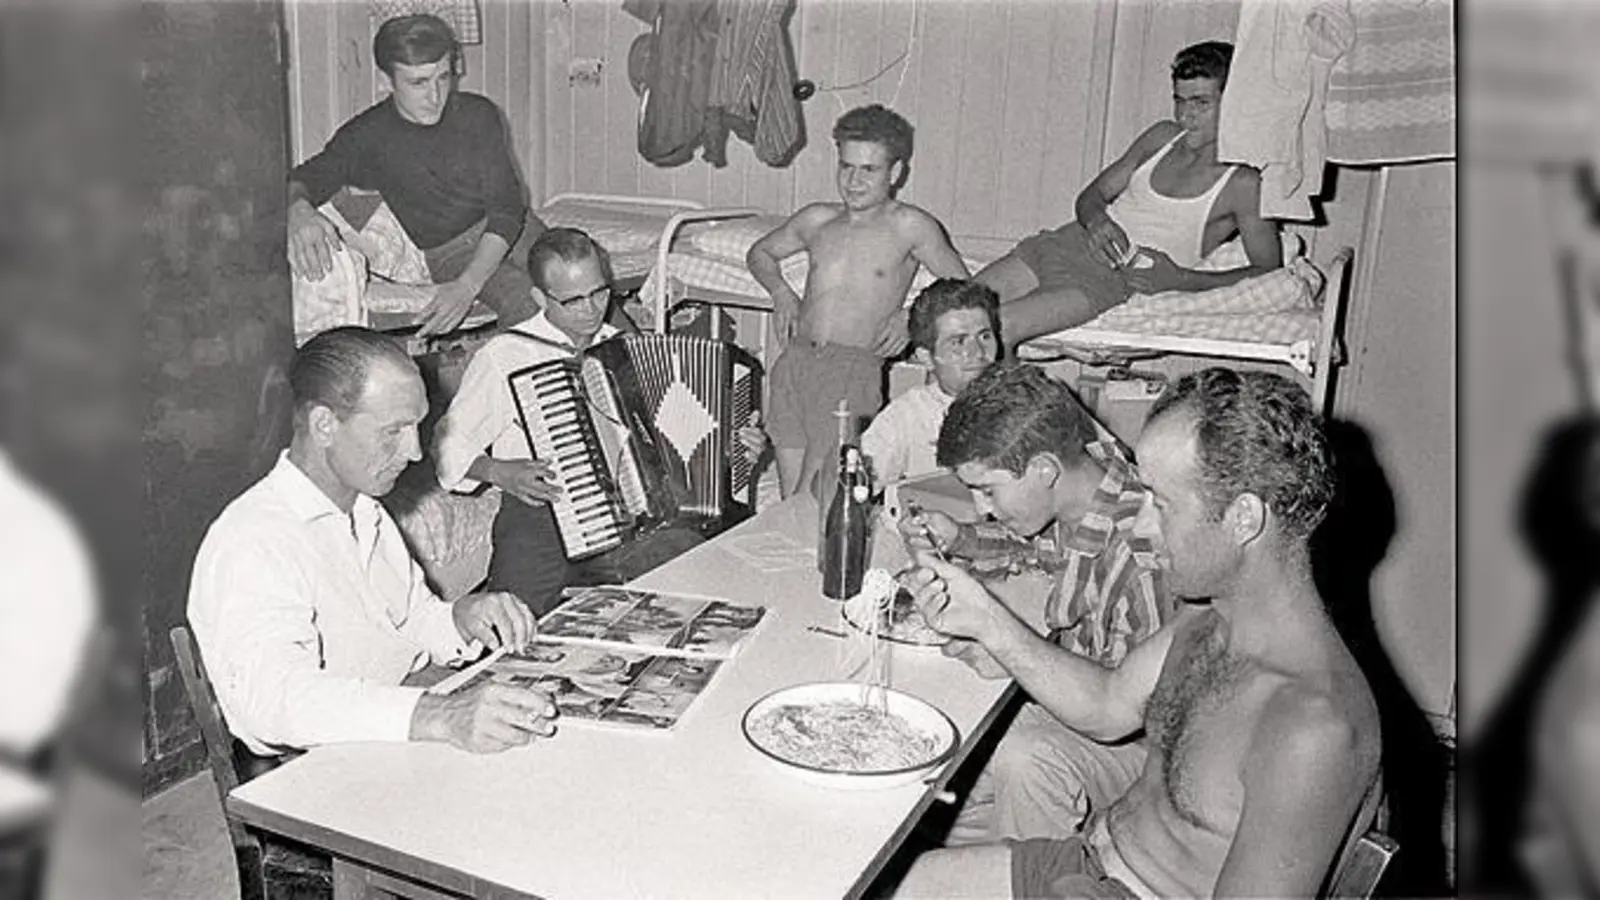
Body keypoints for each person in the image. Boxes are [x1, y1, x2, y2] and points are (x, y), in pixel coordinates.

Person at [895, 367, 1383, 899]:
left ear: (1243, 519)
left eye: (1162, 503)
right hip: (1085, 861)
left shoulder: (1314, 726)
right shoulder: (1206, 619)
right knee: (884, 886)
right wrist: (985, 621)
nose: (1144, 524)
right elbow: (1105, 706)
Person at [188, 328, 558, 759]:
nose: (416, 452)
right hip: (322, 764)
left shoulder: (365, 510)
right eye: (394, 431)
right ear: (324, 424)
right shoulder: (253, 540)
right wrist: (435, 716)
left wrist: (461, 617)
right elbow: (274, 703)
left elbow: (409, 620)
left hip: (395, 726)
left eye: (417, 428)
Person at [896, 361, 1173, 846]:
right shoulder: (1085, 483)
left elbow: (1134, 709)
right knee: (940, 762)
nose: (983, 506)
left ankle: (1046, 872)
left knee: (1026, 754)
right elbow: (1036, 543)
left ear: (1044, 469)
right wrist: (961, 537)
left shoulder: (1141, 554)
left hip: (1151, 753)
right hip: (1092, 709)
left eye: (988, 489)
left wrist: (1011, 655)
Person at [432, 228, 713, 616]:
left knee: (682, 589)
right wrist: (497, 471)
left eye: (599, 292)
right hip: (540, 510)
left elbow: (679, 436)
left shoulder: (626, 348)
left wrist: (731, 445)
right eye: (573, 300)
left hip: (630, 512)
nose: (592, 309)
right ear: (539, 298)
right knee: (514, 624)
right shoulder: (505, 355)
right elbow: (446, 446)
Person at [975, 42, 1281, 350]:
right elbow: (1092, 195)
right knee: (953, 312)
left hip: (1108, 278)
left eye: (1201, 103)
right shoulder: (1162, 137)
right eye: (1180, 100)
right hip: (1067, 242)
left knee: (995, 332)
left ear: (1235, 103)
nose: (1186, 116)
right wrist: (1096, 221)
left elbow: (1268, 271)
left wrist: (1183, 280)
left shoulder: (1244, 182)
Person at [747, 103, 970, 499]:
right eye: (846, 166)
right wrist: (780, 292)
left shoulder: (910, 226)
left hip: (851, 371)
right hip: (794, 364)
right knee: (789, 500)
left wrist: (910, 317)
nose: (853, 181)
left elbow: (962, 289)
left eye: (869, 170)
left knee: (814, 497)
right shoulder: (817, 219)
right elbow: (760, 253)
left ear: (895, 173)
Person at [286, 14, 545, 337]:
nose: (435, 96)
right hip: (452, 252)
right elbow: (304, 177)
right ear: (385, 81)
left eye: (443, 77)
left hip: (515, 229)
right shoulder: (366, 136)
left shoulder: (478, 114)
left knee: (582, 278)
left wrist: (467, 286)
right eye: (418, 83)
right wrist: (298, 210)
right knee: (525, 302)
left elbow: (507, 209)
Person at [860, 278, 1000, 487]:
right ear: (926, 357)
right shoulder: (906, 416)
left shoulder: (1025, 401)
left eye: (985, 337)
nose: (978, 353)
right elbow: (855, 487)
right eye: (958, 342)